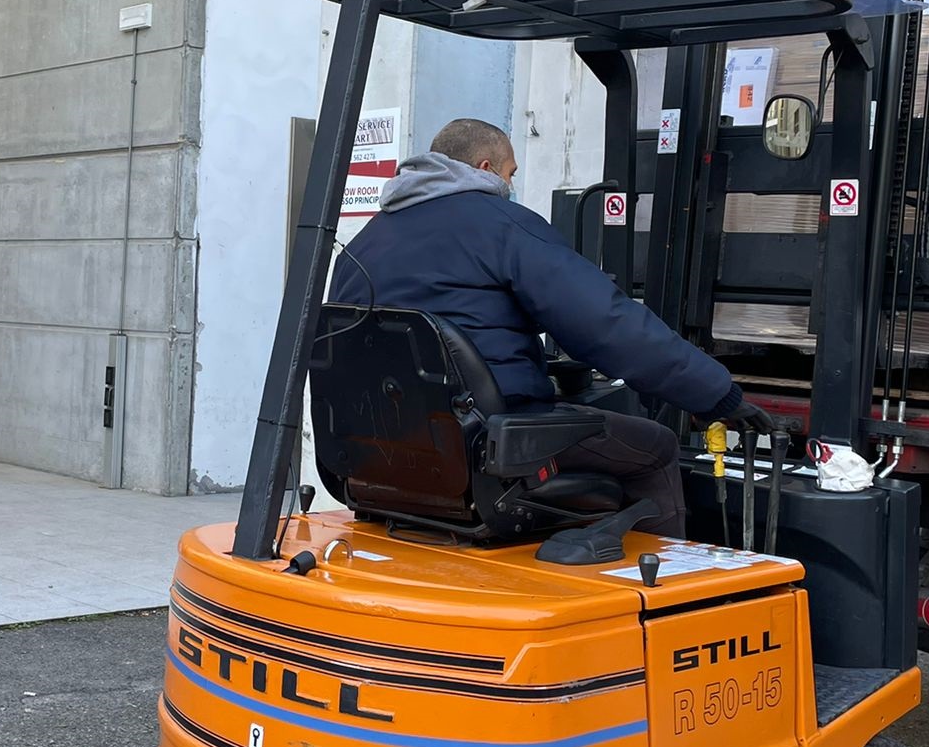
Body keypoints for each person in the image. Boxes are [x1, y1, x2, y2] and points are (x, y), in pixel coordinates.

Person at [327, 117, 771, 536]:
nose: (510, 186)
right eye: (510, 174)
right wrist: (714, 394)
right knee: (656, 447)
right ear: (485, 168)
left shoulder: (365, 242)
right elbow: (608, 324)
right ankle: (667, 584)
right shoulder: (501, 225)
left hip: (381, 453)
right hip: (486, 444)